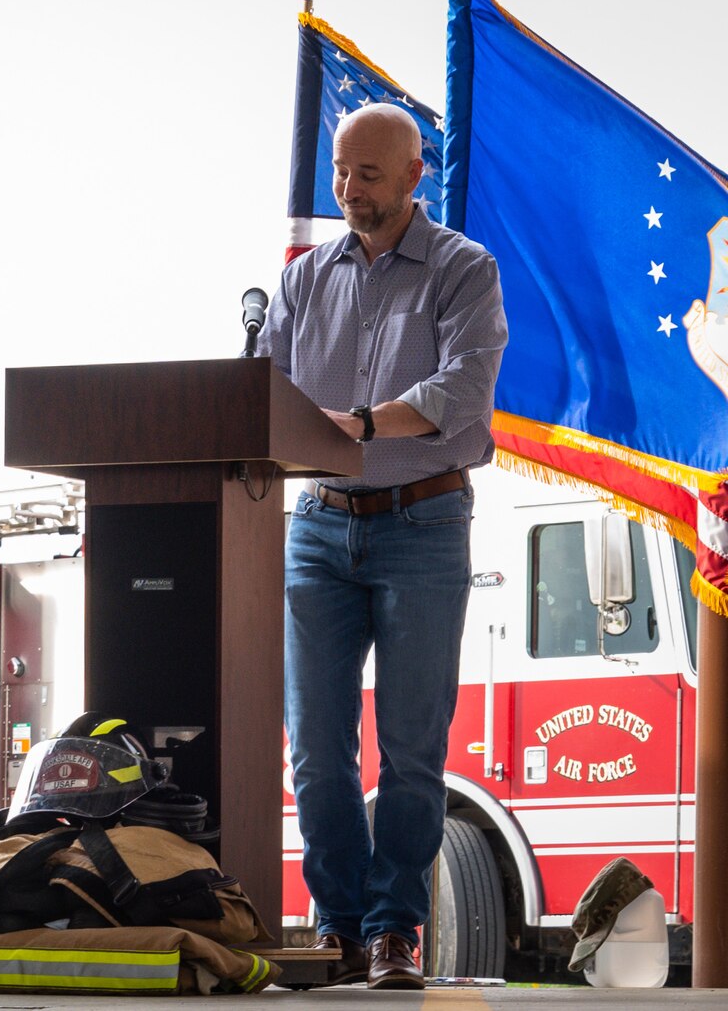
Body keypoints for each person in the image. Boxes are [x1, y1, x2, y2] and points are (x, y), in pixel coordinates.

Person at [255, 103, 508, 990]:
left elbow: (462, 391)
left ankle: (395, 926)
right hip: (317, 527)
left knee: (410, 746)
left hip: (425, 525)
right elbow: (262, 391)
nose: (348, 191)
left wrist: (359, 422)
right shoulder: (300, 280)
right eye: (338, 172)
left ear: (413, 177)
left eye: (367, 175)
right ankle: (338, 926)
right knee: (317, 751)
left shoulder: (464, 271)